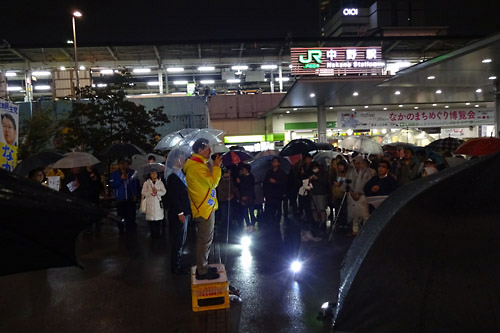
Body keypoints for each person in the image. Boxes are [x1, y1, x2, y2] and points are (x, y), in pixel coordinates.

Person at [183, 138, 222, 280]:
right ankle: (202, 270)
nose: (210, 150)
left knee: (204, 240)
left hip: (204, 207)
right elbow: (212, 183)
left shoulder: (197, 164)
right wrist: (217, 167)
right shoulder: (196, 166)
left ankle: (203, 266)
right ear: (199, 150)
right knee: (204, 240)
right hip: (204, 208)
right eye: (207, 148)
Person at [166, 148, 192, 275]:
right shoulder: (172, 177)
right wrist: (180, 213)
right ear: (176, 160)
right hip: (178, 214)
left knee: (182, 238)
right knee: (178, 239)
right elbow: (174, 197)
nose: (184, 160)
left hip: (185, 211)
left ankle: (179, 262)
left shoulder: (181, 174)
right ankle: (175, 267)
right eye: (182, 157)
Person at [347, 156, 376, 236]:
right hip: (353, 195)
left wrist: (359, 193)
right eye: (355, 163)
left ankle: (365, 231)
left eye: (358, 163)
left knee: (365, 215)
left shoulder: (369, 172)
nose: (357, 165)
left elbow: (367, 184)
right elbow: (348, 183)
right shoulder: (352, 172)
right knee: (355, 215)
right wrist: (352, 193)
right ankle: (355, 230)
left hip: (363, 196)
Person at [110, 159, 139, 233]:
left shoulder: (133, 173)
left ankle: (131, 228)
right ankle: (121, 229)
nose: (123, 166)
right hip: (120, 198)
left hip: (130, 198)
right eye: (121, 164)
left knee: (131, 215)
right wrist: (121, 179)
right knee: (120, 215)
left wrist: (135, 194)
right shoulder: (114, 174)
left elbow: (135, 184)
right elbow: (113, 185)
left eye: (125, 164)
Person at [262, 157, 287, 233]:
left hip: (278, 194)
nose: (274, 163)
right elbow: (265, 183)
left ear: (279, 163)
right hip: (270, 194)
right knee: (270, 209)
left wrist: (276, 182)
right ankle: (271, 222)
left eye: (276, 161)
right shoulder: (269, 172)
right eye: (273, 161)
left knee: (278, 209)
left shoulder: (282, 173)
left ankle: (277, 222)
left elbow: (284, 183)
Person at [141, 170, 166, 239]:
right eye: (152, 173)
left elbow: (164, 192)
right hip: (150, 203)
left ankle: (158, 235)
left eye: (155, 173)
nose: (154, 175)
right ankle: (152, 235)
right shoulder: (146, 183)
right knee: (151, 222)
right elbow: (143, 192)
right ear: (150, 174)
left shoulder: (160, 182)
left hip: (158, 204)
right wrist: (150, 193)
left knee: (158, 222)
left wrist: (157, 192)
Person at [309, 161, 330, 237]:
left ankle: (323, 223)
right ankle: (316, 221)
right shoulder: (311, 173)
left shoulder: (323, 173)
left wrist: (317, 178)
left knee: (321, 209)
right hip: (313, 193)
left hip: (321, 193)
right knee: (314, 209)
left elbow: (325, 182)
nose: (314, 169)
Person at [236, 164, 256, 233]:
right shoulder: (241, 177)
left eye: (243, 169)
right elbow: (240, 188)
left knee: (251, 212)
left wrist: (240, 183)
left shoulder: (251, 177)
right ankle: (248, 224)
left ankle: (252, 225)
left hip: (250, 197)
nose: (242, 171)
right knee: (245, 212)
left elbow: (248, 186)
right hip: (243, 196)